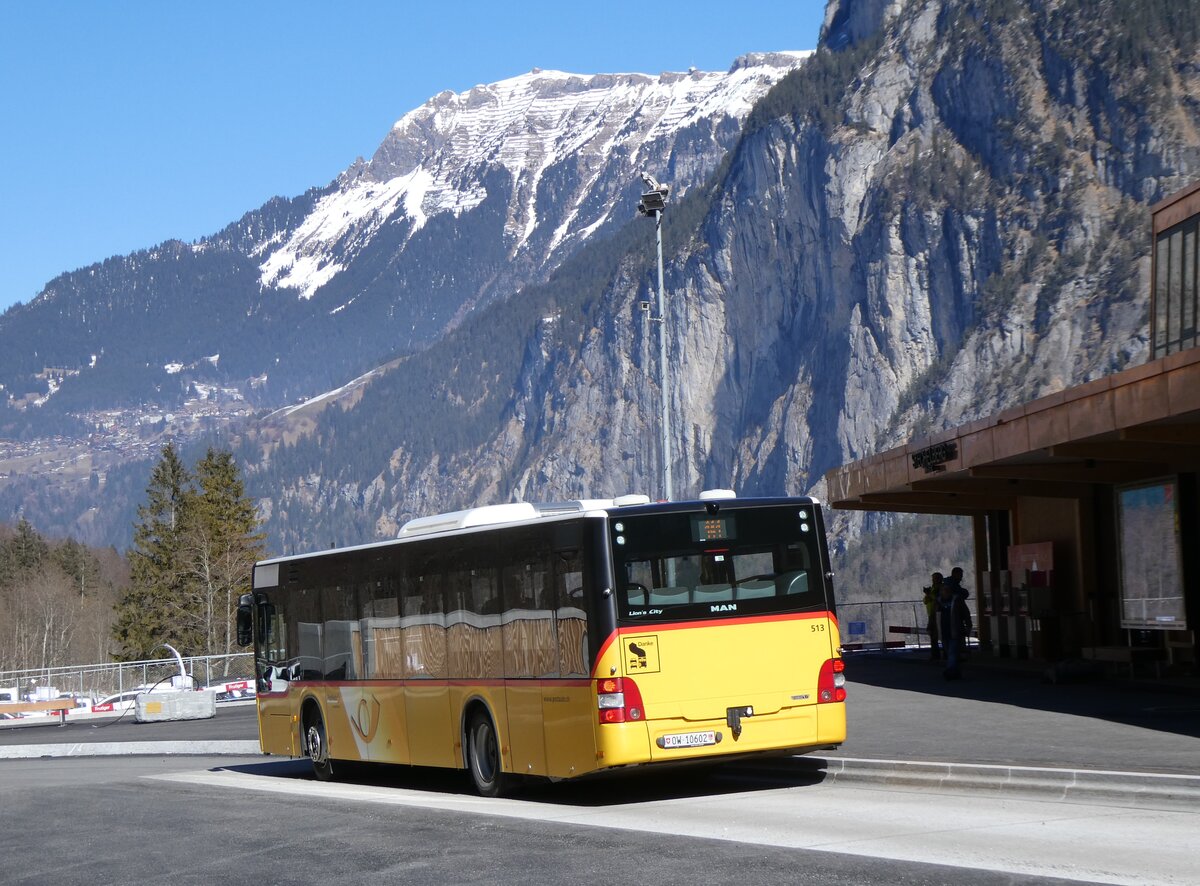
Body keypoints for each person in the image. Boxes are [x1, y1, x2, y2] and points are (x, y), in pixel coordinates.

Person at [944, 566, 973, 660]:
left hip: (947, 623)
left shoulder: (941, 599)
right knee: (958, 640)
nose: (961, 577)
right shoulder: (957, 595)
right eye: (960, 575)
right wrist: (968, 623)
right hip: (957, 622)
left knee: (950, 644)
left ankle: (952, 659)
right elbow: (964, 610)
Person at [922, 572, 943, 660]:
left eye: (935, 578)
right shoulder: (932, 589)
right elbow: (925, 601)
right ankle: (935, 654)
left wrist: (930, 595)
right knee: (932, 634)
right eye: (933, 579)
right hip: (931, 614)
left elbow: (939, 599)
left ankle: (940, 654)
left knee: (940, 634)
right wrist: (928, 595)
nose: (933, 580)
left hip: (939, 614)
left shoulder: (942, 588)